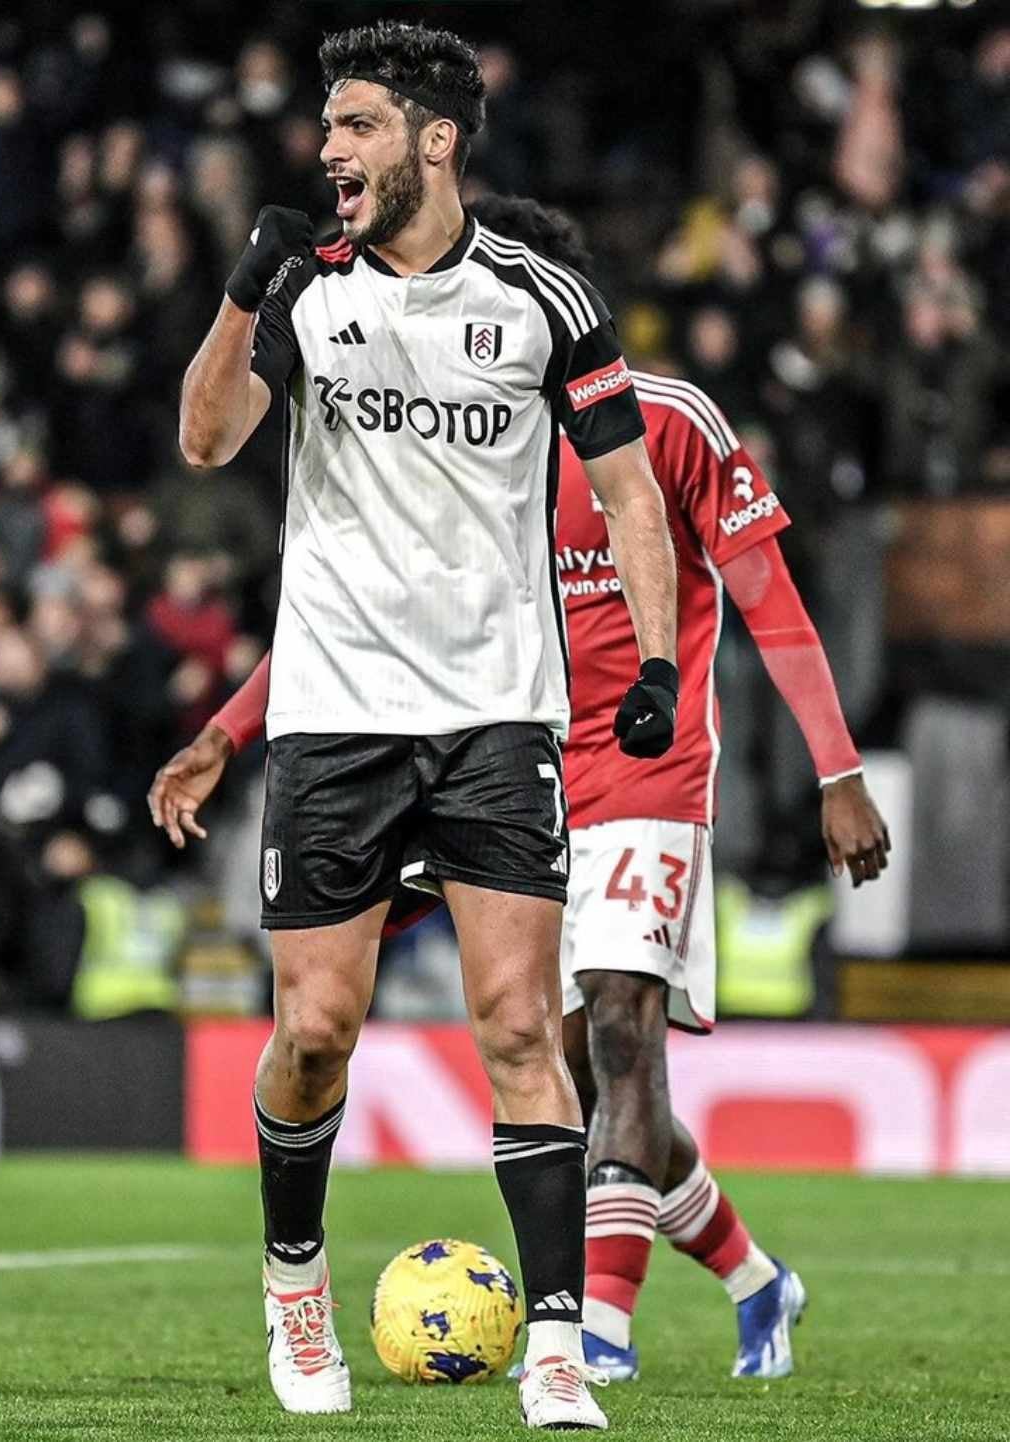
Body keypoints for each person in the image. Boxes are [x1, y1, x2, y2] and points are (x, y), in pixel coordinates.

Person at [154, 192, 890, 1388]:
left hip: (649, 771)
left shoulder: (666, 421)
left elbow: (769, 597)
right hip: (505, 763)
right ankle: (757, 1275)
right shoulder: (459, 444)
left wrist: (839, 767)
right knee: (586, 1069)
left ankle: (592, 1328)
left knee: (618, 1022)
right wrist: (230, 734)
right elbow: (357, 616)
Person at [172, 22, 678, 1430]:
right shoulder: (307, 293)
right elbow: (207, 440)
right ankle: (295, 1293)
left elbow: (630, 495)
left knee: (523, 1023)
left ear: (434, 141)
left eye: (355, 126)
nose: (329, 150)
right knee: (317, 1028)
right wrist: (237, 295)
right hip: (336, 713)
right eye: (326, 129)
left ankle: (560, 1350)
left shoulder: (543, 301)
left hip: (493, 712)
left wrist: (654, 663)